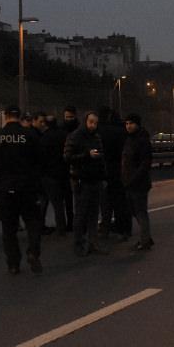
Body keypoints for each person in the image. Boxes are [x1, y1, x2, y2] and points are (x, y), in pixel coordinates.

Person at [0, 106, 44, 275]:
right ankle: (33, 252)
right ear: (19, 117)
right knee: (33, 222)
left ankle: (13, 264)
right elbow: (39, 160)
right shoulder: (29, 135)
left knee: (9, 228)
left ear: (5, 116)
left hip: (6, 189)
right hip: (27, 188)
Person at [64, 110, 106, 256]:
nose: (93, 125)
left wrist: (103, 177)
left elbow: (101, 157)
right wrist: (87, 155)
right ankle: (78, 245)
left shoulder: (97, 137)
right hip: (81, 180)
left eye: (95, 123)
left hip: (95, 180)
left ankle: (93, 244)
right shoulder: (75, 136)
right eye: (91, 122)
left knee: (94, 214)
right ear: (85, 121)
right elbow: (68, 157)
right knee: (81, 214)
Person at [121, 113, 154, 250]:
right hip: (129, 182)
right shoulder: (129, 139)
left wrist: (134, 178)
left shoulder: (142, 140)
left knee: (140, 212)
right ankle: (146, 237)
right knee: (134, 210)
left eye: (131, 123)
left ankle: (145, 241)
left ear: (137, 124)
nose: (128, 126)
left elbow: (145, 163)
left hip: (138, 183)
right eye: (127, 123)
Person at [97, 106, 129, 240]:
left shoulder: (100, 131)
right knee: (120, 201)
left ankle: (106, 228)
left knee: (105, 203)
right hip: (120, 170)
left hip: (105, 170)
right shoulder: (122, 131)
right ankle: (123, 229)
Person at [35, 111, 68, 236]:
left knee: (45, 201)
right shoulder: (64, 135)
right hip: (62, 173)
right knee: (59, 204)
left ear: (46, 124)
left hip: (48, 175)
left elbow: (40, 158)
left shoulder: (44, 138)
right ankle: (62, 227)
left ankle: (40, 226)